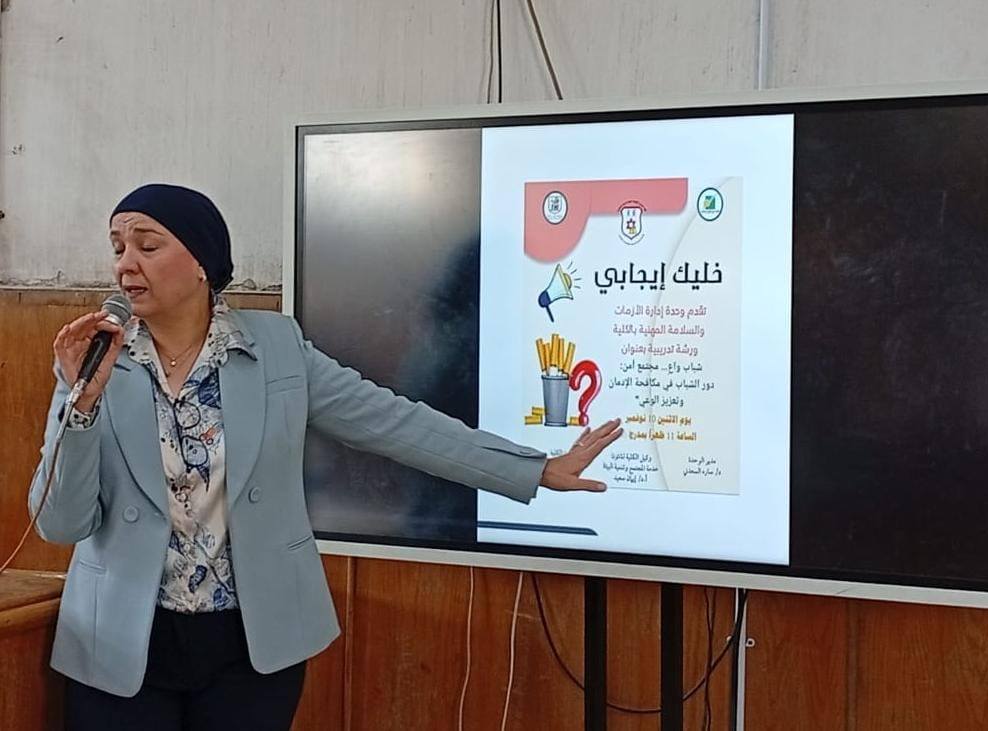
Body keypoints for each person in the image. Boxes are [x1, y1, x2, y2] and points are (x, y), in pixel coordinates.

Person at [28, 183, 622, 731]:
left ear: (202, 260)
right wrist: (81, 406)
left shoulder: (277, 349)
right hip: (121, 639)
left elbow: (395, 423)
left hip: (252, 643)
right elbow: (60, 522)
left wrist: (533, 468)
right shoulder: (95, 360)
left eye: (147, 245)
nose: (125, 263)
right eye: (118, 247)